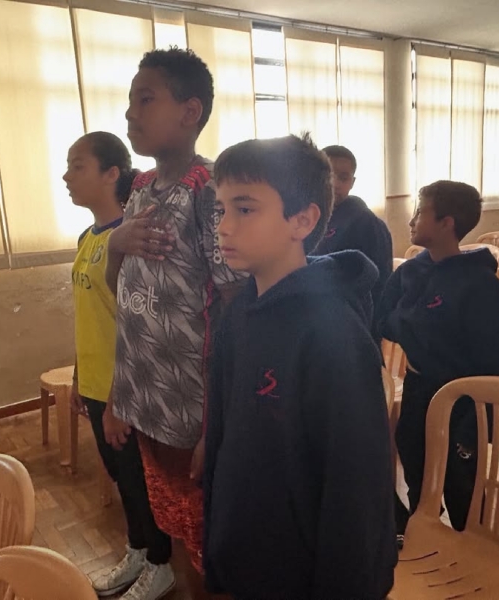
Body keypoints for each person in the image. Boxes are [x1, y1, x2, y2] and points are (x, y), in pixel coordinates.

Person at [203, 134, 397, 600]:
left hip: (304, 574)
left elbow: (356, 487)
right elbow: (227, 440)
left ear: (303, 220)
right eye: (220, 209)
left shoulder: (334, 336)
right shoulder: (240, 312)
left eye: (244, 208)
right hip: (249, 553)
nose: (224, 227)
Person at [104, 48, 243, 600]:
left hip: (193, 411)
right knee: (175, 529)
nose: (130, 112)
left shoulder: (207, 192)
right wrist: (116, 244)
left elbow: (233, 309)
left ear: (190, 112)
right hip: (148, 403)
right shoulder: (140, 188)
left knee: (208, 543)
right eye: (130, 100)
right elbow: (125, 295)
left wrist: (219, 422)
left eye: (145, 99)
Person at [64, 132, 172, 599]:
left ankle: (161, 564)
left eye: (78, 166)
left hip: (124, 390)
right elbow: (90, 314)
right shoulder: (88, 238)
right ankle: (137, 550)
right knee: (121, 478)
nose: (66, 176)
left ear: (112, 174)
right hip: (95, 383)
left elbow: (137, 326)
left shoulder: (129, 241)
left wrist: (117, 401)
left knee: (140, 482)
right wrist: (78, 376)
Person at [377, 180, 499, 541]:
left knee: (462, 489)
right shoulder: (409, 272)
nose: (411, 220)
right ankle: (426, 542)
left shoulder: (482, 286)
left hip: (463, 403)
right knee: (419, 477)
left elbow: (491, 369)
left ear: (446, 223)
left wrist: (473, 430)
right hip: (418, 388)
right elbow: (382, 321)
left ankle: (471, 555)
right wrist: (416, 324)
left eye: (420, 212)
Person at [312, 145, 393, 331]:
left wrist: (369, 328)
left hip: (352, 322)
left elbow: (381, 281)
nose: (335, 184)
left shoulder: (366, 222)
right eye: (328, 176)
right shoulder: (306, 217)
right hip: (314, 316)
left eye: (343, 178)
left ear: (352, 182)